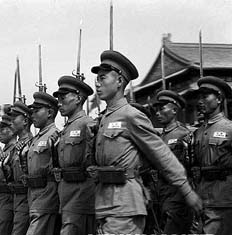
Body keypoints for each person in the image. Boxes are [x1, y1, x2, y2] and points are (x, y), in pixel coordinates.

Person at [90, 50, 202, 234]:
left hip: (125, 203)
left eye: (103, 77)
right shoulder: (105, 119)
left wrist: (186, 189)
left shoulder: (131, 116)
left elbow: (161, 154)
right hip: (105, 201)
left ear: (119, 81)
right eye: (97, 78)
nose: (97, 82)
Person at [52, 75, 96, 235]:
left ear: (78, 98)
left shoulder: (87, 124)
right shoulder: (65, 129)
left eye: (63, 98)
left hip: (82, 193)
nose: (59, 103)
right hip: (66, 194)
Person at [193, 76, 232, 235]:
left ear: (219, 99)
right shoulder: (199, 132)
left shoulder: (229, 128)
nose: (200, 101)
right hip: (203, 199)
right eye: (199, 97)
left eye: (205, 96)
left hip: (223, 200)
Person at [153, 90, 194, 234]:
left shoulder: (184, 134)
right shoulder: (159, 136)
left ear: (174, 110)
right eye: (156, 109)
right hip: (161, 192)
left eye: (162, 108)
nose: (158, 113)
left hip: (177, 194)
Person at [26, 92, 60, 235]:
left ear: (50, 112)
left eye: (36, 111)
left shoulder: (54, 135)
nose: (32, 115)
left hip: (47, 195)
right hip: (34, 196)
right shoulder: (36, 139)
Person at [9, 101, 33, 235]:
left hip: (26, 197)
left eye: (14, 118)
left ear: (25, 121)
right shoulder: (16, 146)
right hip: (16, 198)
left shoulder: (30, 143)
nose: (11, 122)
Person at [0, 114, 17, 235]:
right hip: (2, 198)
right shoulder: (5, 151)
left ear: (12, 131)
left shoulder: (15, 150)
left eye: (2, 129)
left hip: (10, 197)